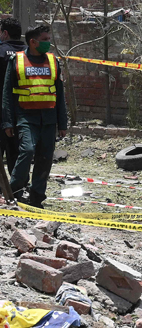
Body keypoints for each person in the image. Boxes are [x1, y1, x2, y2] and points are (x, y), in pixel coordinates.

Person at [2, 25, 66, 208]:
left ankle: (37, 197)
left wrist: (62, 123)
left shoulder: (53, 62)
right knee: (27, 150)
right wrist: (7, 122)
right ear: (33, 42)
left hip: (49, 118)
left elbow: (60, 95)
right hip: (25, 117)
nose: (49, 43)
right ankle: (14, 191)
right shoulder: (17, 60)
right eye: (45, 39)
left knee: (45, 158)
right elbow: (7, 94)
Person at [0, 17, 26, 177]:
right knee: (16, 153)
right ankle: (17, 187)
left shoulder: (1, 52)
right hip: (22, 111)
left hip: (2, 110)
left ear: (5, 33)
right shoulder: (28, 53)